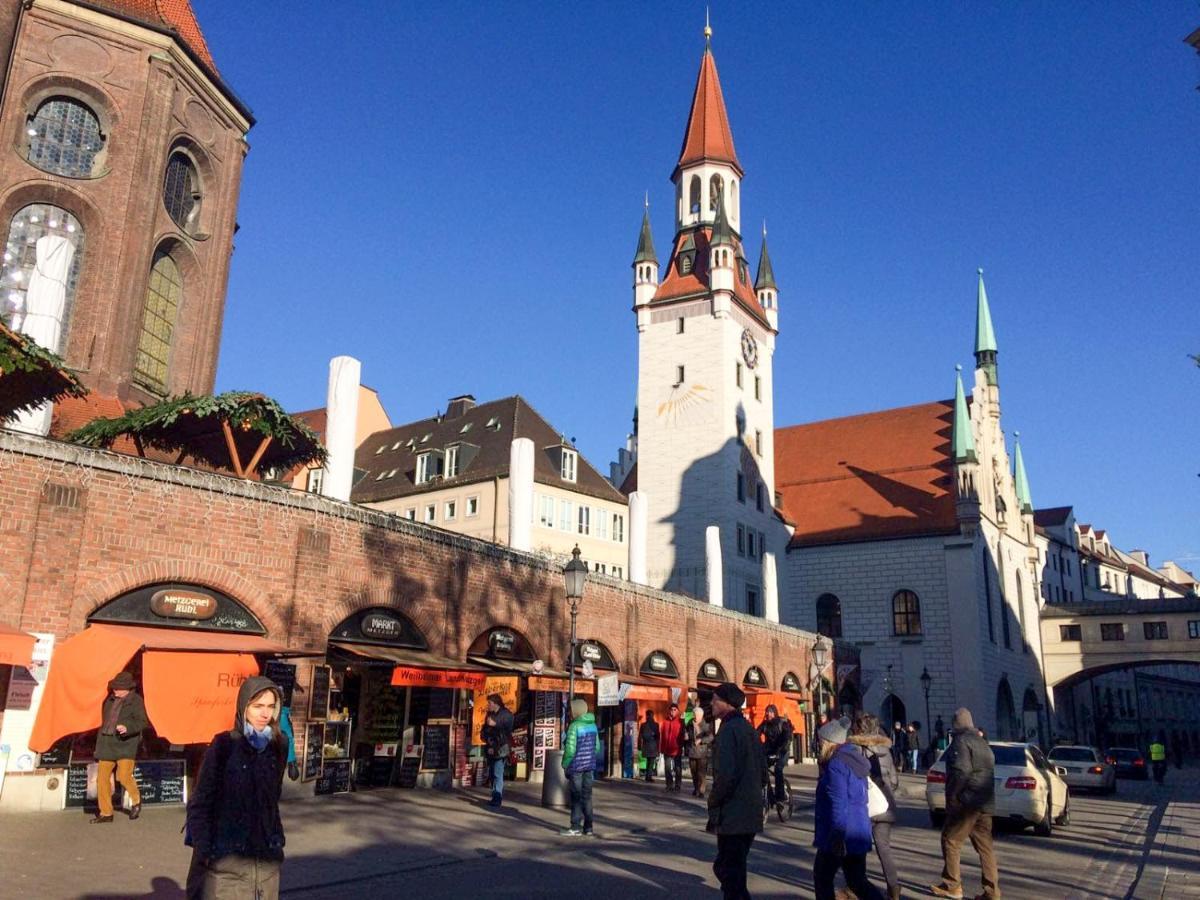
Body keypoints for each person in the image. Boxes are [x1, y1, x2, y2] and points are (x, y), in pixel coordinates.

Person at [185, 676, 287, 900]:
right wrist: (208, 851)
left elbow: (273, 799)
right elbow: (200, 802)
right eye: (257, 706)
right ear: (244, 707)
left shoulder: (278, 744)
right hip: (227, 868)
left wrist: (276, 837)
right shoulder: (225, 745)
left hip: (266, 864)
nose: (265, 714)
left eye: (271, 706)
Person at [813, 716, 885, 900]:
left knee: (822, 878)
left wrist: (837, 835)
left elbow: (839, 803)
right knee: (857, 881)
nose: (818, 744)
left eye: (821, 740)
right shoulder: (852, 759)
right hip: (858, 829)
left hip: (841, 833)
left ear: (829, 742)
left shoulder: (836, 764)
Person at [930, 707, 999, 900]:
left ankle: (952, 885)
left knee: (950, 840)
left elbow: (962, 771)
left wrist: (954, 796)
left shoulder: (961, 742)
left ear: (956, 725)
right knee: (985, 847)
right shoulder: (982, 742)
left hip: (968, 802)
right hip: (985, 801)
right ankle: (992, 891)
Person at [707, 683, 766, 900]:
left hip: (733, 813)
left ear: (727, 703)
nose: (711, 703)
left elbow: (725, 776)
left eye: (715, 699)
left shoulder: (728, 731)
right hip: (749, 811)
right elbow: (762, 772)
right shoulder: (749, 728)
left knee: (731, 875)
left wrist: (713, 801)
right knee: (731, 871)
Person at [851, 713, 902, 900]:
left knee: (859, 847)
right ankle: (894, 889)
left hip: (865, 806)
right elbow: (895, 781)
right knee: (884, 849)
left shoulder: (856, 749)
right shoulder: (885, 749)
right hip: (885, 805)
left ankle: (857, 887)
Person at [92, 671, 148, 824]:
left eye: (118, 688)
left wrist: (127, 727)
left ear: (128, 688)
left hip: (125, 744)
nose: (115, 690)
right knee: (102, 779)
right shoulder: (109, 700)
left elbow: (143, 722)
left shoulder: (136, 701)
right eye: (114, 687)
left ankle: (136, 801)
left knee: (123, 776)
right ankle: (106, 813)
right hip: (107, 743)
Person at [561, 698, 598, 836]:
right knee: (587, 797)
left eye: (571, 709)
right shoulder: (593, 725)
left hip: (576, 766)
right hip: (589, 766)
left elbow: (570, 749)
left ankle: (575, 826)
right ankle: (588, 827)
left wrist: (564, 764)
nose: (570, 712)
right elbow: (597, 747)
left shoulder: (574, 726)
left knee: (576, 796)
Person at [756, 704, 794, 810]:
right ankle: (767, 795)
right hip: (770, 751)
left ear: (775, 713)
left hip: (783, 751)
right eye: (767, 712)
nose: (768, 714)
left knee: (778, 769)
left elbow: (787, 737)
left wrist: (781, 749)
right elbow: (755, 734)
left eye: (771, 712)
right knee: (761, 767)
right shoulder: (765, 724)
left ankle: (781, 797)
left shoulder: (782, 723)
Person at [481, 693, 514, 807]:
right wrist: (487, 741)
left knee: (497, 773)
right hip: (490, 747)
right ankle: (494, 795)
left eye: (489, 703)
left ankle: (497, 798)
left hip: (501, 748)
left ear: (495, 703)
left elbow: (508, 731)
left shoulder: (506, 714)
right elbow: (485, 729)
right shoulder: (489, 714)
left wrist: (495, 724)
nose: (488, 705)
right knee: (492, 772)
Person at [686, 706, 714, 797]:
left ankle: (701, 791)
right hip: (692, 751)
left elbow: (711, 737)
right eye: (693, 714)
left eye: (695, 715)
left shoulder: (706, 724)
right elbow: (687, 733)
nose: (694, 716)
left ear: (700, 715)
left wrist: (701, 740)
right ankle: (696, 788)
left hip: (702, 753)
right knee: (694, 772)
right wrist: (687, 737)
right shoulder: (690, 723)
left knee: (701, 773)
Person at [660, 703, 685, 792]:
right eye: (671, 710)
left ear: (677, 711)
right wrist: (661, 748)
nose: (673, 711)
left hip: (676, 748)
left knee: (677, 768)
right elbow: (662, 736)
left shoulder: (681, 722)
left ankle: (678, 785)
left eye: (675, 710)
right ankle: (669, 784)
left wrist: (682, 747)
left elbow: (683, 736)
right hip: (667, 749)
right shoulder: (665, 721)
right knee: (667, 768)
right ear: (669, 711)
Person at [639, 710, 660, 783]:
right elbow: (658, 736)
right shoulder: (656, 725)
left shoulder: (643, 725)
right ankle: (648, 776)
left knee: (649, 761)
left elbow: (640, 736)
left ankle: (647, 776)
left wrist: (639, 746)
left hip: (646, 745)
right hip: (653, 746)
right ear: (652, 715)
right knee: (651, 762)